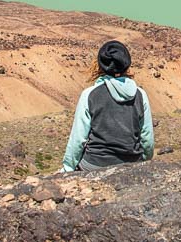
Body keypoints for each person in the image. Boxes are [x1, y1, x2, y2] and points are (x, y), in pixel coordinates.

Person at [61, 40, 154, 172]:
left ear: (101, 65)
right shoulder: (140, 95)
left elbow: (78, 139)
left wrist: (68, 168)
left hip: (94, 164)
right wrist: (144, 160)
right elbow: (147, 138)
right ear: (126, 65)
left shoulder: (89, 95)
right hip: (132, 163)